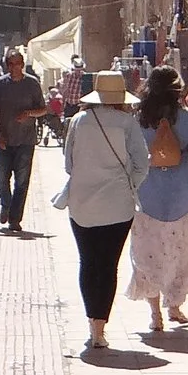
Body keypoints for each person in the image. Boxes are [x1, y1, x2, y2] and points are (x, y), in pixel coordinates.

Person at [61, 71, 147, 348]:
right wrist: (127, 184)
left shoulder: (78, 121)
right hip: (118, 206)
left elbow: (68, 164)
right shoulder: (127, 123)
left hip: (82, 203)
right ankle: (100, 327)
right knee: (108, 265)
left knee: (88, 262)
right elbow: (141, 164)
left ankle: (91, 324)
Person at [126, 66, 188, 330]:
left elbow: (129, 156)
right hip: (182, 196)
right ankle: (174, 306)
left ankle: (156, 314)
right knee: (180, 253)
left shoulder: (137, 119)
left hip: (146, 195)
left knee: (147, 254)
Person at [0, 48, 47, 234]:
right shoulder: (0, 84)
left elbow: (43, 109)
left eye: (18, 64)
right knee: (0, 177)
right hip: (5, 139)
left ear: (22, 64)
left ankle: (15, 219)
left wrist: (28, 113)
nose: (14, 68)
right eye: (10, 64)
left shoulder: (32, 84)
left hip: (26, 141)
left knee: (22, 182)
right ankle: (6, 204)